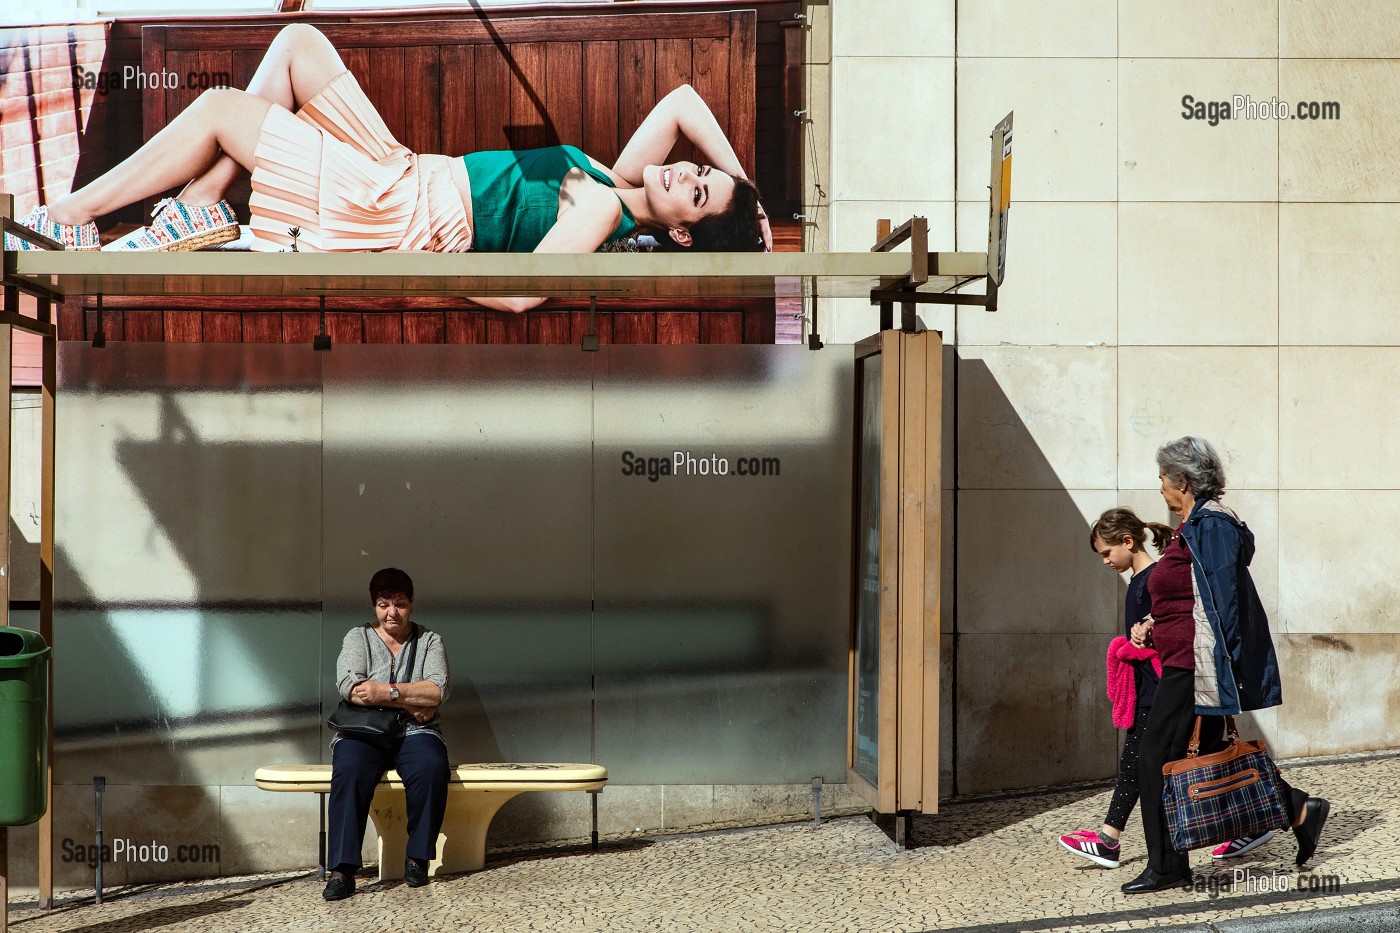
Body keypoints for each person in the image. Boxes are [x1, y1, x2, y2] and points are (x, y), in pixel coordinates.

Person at [3, 24, 773, 308]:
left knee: (215, 113)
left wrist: (432, 258)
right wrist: (746, 197)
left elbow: (519, 297)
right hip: (410, 172)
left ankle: (69, 220)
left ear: (679, 234)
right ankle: (203, 204)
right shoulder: (619, 182)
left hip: (413, 209)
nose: (681, 173)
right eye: (693, 171)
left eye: (696, 194)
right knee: (299, 46)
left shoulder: (604, 212)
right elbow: (679, 103)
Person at [1122, 437, 1330, 895]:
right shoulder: (1192, 525)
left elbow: (1224, 602)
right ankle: (1295, 807)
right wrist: (1156, 623)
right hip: (1180, 659)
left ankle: (1167, 866)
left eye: (1162, 478)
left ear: (1182, 480)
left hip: (1194, 666)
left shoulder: (1211, 525)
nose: (1158, 487)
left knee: (1155, 756)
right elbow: (1193, 596)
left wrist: (1224, 671)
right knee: (1187, 756)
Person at [324, 567, 450, 901]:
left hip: (416, 731)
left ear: (412, 603)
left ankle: (418, 857)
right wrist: (411, 700)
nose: (391, 612)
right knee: (349, 770)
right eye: (383, 604)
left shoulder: (430, 640)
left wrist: (387, 692)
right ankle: (342, 870)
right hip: (364, 731)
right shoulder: (357, 638)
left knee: (431, 767)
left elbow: (437, 690)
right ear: (373, 605)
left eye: (400, 604)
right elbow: (350, 686)